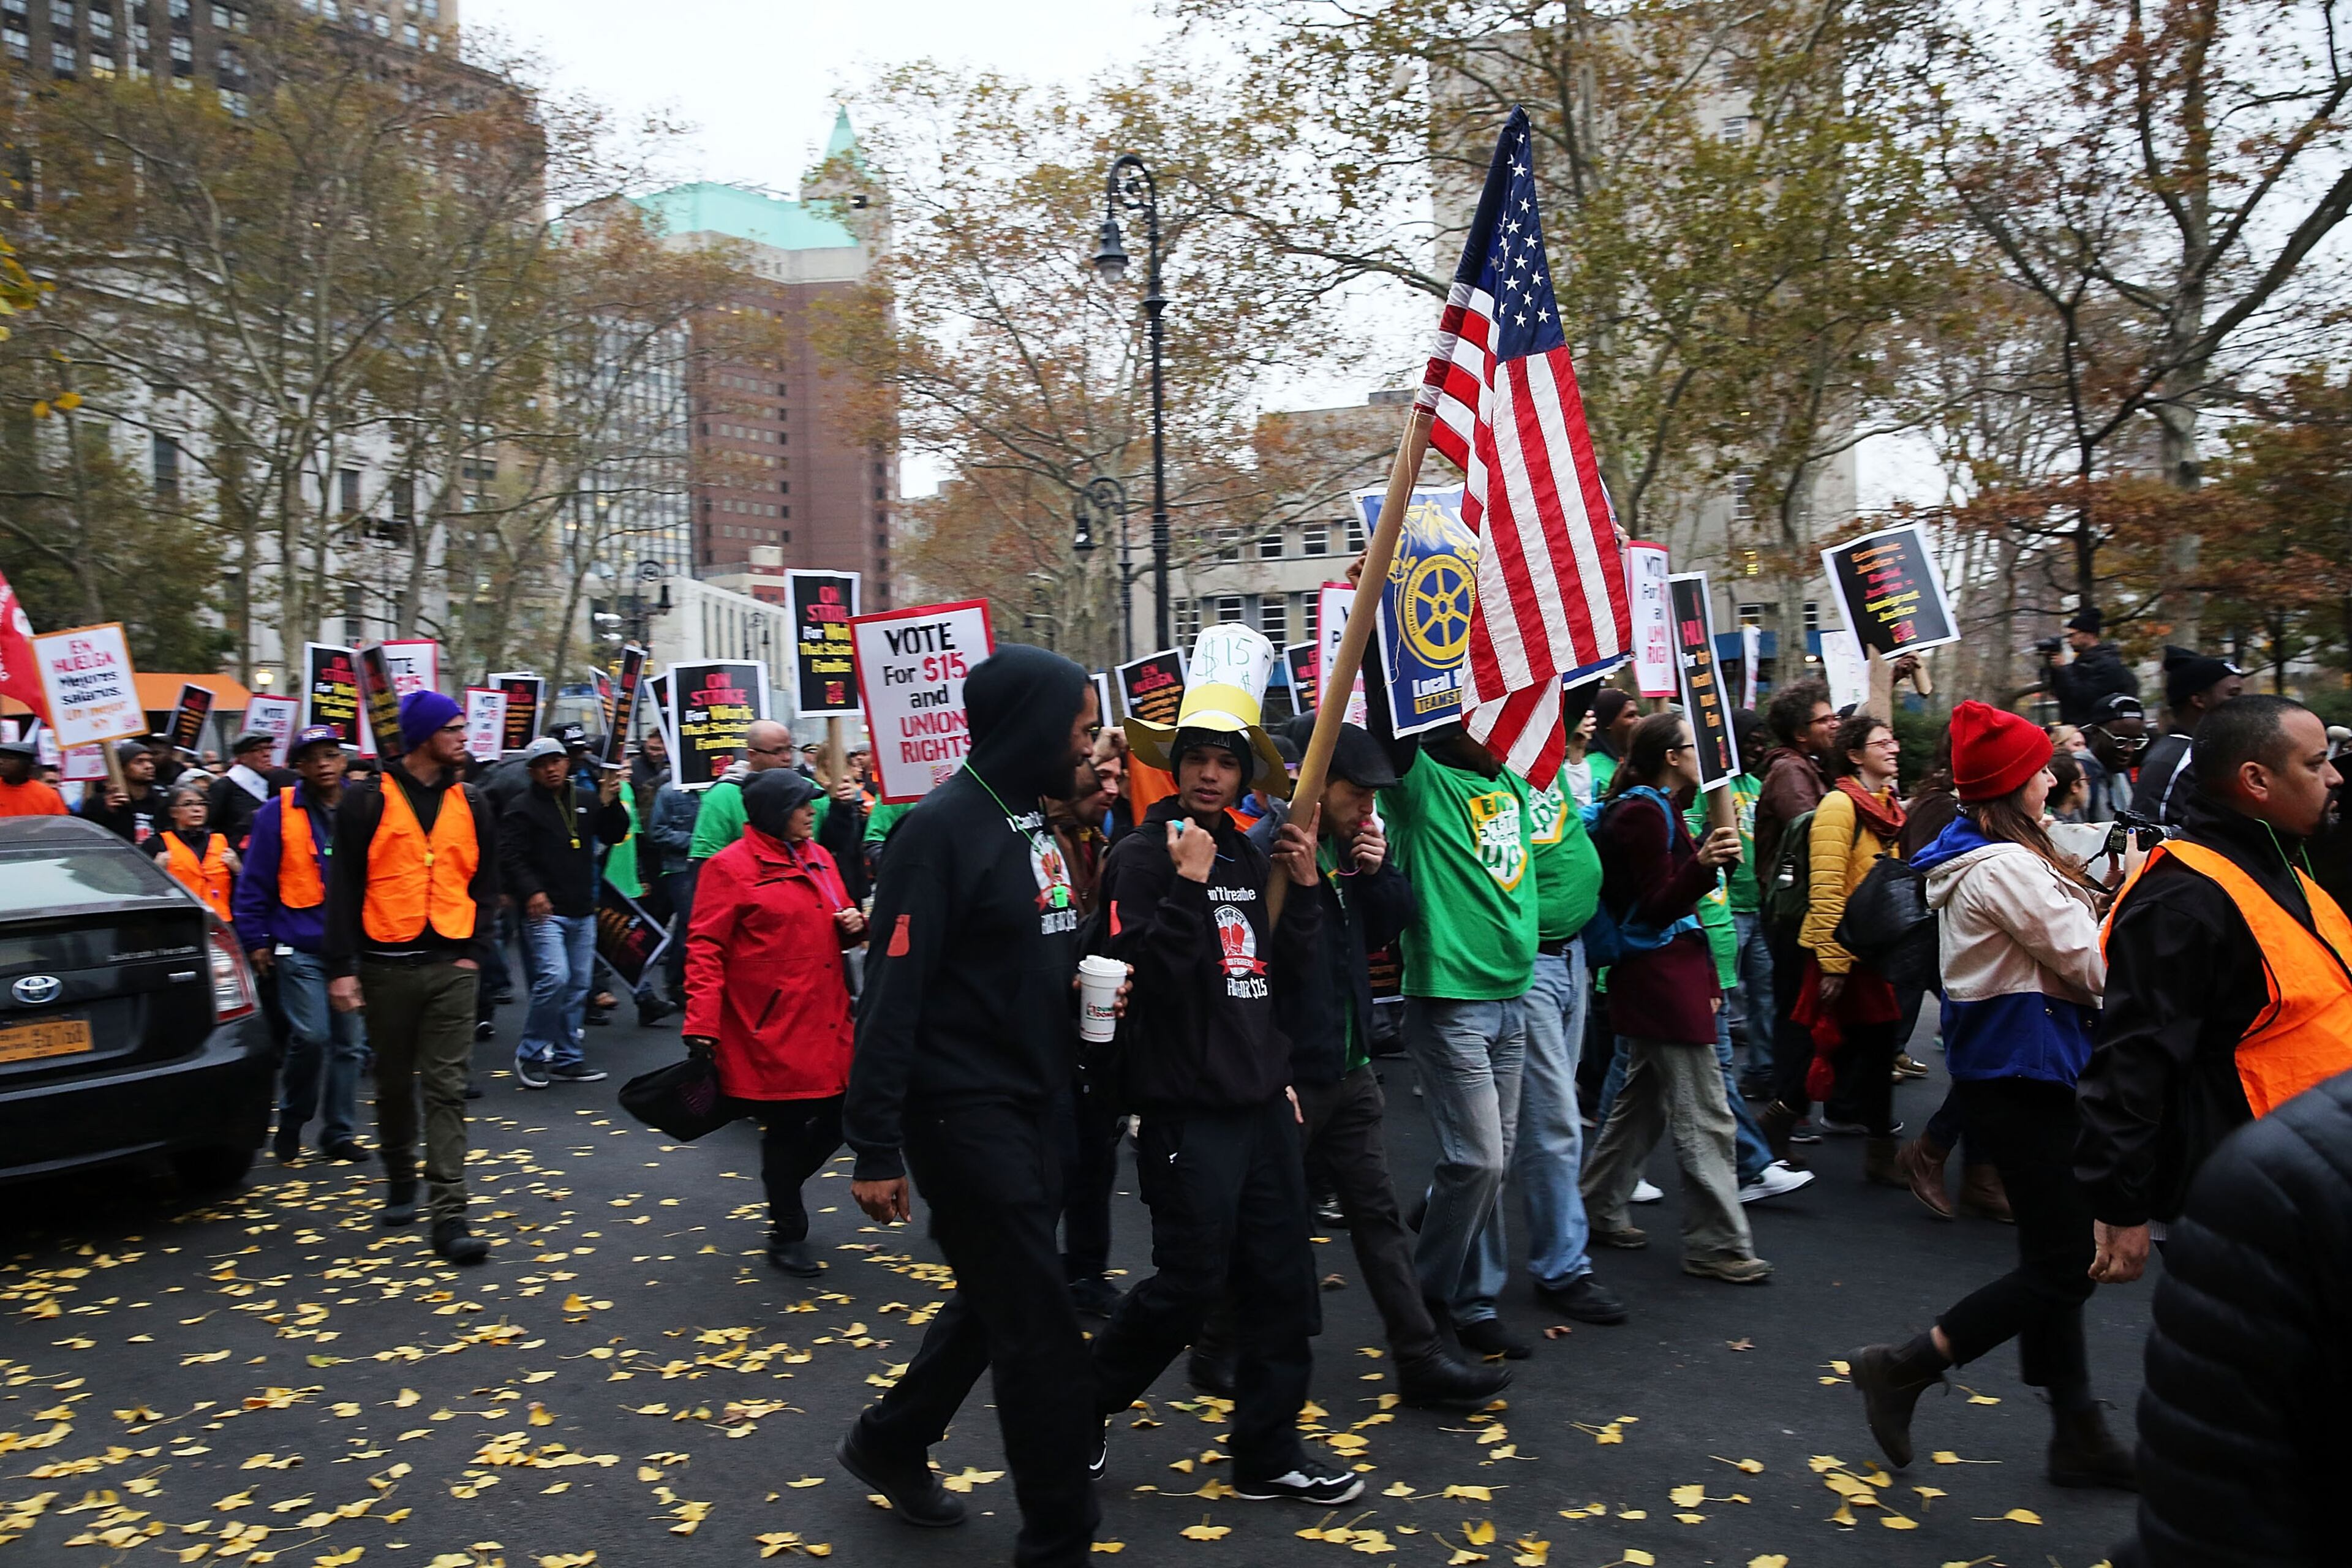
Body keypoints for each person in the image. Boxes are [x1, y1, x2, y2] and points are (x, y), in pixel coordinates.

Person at [837, 645, 1104, 1564]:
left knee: (999, 1298)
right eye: (1078, 731)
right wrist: (872, 1146)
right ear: (1032, 729)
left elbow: (1035, 953)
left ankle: (891, 1437)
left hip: (1041, 1103)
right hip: (962, 1117)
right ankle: (1059, 1540)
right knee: (1040, 1332)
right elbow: (892, 997)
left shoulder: (1036, 822)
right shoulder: (938, 830)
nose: (1090, 747)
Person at [1090, 624, 1356, 1505]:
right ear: (1176, 768)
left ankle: (1267, 1450)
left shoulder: (1251, 853)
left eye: (1227, 762)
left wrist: (1309, 890)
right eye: (1197, 758)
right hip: (1183, 1112)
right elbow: (1142, 984)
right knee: (1192, 1283)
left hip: (1259, 1108)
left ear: (1246, 775)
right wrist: (1188, 885)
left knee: (1282, 1285)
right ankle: (1082, 1402)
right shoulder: (1139, 856)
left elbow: (1286, 974)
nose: (1211, 774)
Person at [1850, 701, 2132, 1489]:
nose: (2052, 778)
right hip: (2028, 1076)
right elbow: (2094, 965)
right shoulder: (2006, 868)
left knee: (2054, 1253)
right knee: (2067, 1262)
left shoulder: (1998, 855)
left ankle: (2077, 1429)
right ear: (2013, 786)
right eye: (2040, 768)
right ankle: (1906, 1365)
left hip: (2017, 1075)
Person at [1238, 717, 1513, 1404]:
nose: (1370, 806)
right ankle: (1219, 1340)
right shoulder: (1267, 852)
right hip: (1293, 1072)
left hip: (1352, 1064)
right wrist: (1304, 889)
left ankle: (1418, 1355)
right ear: (1315, 783)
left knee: (1379, 1217)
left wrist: (1378, 868)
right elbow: (1274, 967)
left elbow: (1391, 925)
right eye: (1358, 791)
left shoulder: (1346, 846)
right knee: (1263, 1219)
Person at [2075, 693, 2351, 1290]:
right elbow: (2133, 1062)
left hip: (2314, 1180)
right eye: (2316, 762)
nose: (2335, 776)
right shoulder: (2183, 899)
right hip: (2250, 1199)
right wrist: (2122, 1206)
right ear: (2256, 779)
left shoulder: (2283, 870)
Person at [1359, 612, 1543, 1357]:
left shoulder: (1516, 782)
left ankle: (1475, 1301)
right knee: (1482, 1162)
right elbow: (1388, 713)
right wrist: (1383, 623)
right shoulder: (1420, 784)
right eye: (1477, 713)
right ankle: (1427, 1298)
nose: (1493, 727)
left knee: (1482, 1168)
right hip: (1451, 1004)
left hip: (1515, 998)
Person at [2114, 1068, 2352, 1567]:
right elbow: (2213, 1526)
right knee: (2053, 1278)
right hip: (2226, 1157)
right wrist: (2120, 1200)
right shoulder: (2284, 1189)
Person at [1579, 713, 1773, 1283]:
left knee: (1641, 1108)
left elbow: (1672, 904)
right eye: (1695, 746)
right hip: (1661, 979)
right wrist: (1703, 865)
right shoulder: (1642, 812)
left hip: (1669, 975)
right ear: (1670, 756)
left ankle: (1597, 1205)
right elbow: (1660, 903)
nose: (1705, 755)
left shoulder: (1654, 806)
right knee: (1707, 1114)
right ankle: (1715, 1243)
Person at [325, 690, 500, 1265]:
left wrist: (475, 951)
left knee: (446, 1088)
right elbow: (343, 889)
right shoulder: (365, 800)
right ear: (425, 736)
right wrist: (342, 968)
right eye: (453, 729)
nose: (463, 737)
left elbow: (486, 882)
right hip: (385, 967)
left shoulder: (472, 799)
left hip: (453, 966)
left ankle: (449, 1214)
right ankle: (401, 1174)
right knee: (396, 1084)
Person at [683, 768, 865, 1276]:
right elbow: (705, 948)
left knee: (847, 1114)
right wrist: (702, 1024)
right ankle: (787, 1231)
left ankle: (783, 1186)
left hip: (827, 1016)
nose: (812, 811)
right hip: (769, 1025)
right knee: (784, 1126)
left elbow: (838, 917)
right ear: (774, 813)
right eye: (802, 804)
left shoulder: (820, 857)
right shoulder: (728, 868)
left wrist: (855, 923)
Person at [1515, 684, 1636, 1322]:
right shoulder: (1498, 767)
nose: (1579, 718)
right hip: (1527, 965)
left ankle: (1452, 1196)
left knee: (1524, 1114)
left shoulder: (1550, 763)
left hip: (1572, 956)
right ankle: (1563, 1266)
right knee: (1556, 1119)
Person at [1784, 714, 1910, 1178]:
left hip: (1870, 954)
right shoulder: (1840, 805)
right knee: (1826, 1046)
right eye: (1882, 743)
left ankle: (1876, 1153)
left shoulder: (1886, 806)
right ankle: (1769, 1138)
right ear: (1856, 755)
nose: (1894, 748)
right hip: (1838, 953)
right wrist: (1834, 964)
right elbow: (1827, 886)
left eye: (1893, 741)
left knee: (1868, 1048)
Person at [238, 726, 369, 1165]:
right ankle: (293, 1119)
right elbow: (254, 881)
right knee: (312, 1036)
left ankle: (339, 1132)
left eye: (332, 755)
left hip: (352, 948)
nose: (324, 764)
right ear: (299, 767)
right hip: (299, 944)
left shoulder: (365, 805)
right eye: (314, 758)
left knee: (350, 1044)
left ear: (344, 760)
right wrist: (254, 938)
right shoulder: (275, 815)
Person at [499, 736, 628, 1089]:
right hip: (546, 910)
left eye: (556, 761)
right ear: (532, 771)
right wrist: (532, 892)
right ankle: (531, 1053)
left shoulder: (585, 799)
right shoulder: (521, 807)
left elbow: (615, 834)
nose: (551, 769)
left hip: (582, 908)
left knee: (577, 986)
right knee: (554, 979)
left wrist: (612, 800)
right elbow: (510, 856)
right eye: (542, 765)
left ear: (567, 764)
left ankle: (569, 1057)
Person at [2130, 647, 2245, 827]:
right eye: (2233, 695)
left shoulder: (2204, 752)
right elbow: (2147, 833)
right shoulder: (2174, 761)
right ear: (2199, 700)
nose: (2241, 704)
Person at [688, 719, 799, 862]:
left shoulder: (807, 789)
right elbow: (706, 858)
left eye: (789, 749)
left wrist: (837, 806)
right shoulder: (723, 796)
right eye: (778, 751)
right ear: (752, 755)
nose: (788, 758)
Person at [151, 783, 239, 920]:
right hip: (179, 922)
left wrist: (239, 870)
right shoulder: (158, 843)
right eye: (188, 804)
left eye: (202, 804)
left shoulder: (222, 841)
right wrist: (155, 871)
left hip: (221, 923)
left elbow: (244, 886)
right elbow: (142, 891)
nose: (197, 809)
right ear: (173, 812)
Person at [2041, 606, 2140, 728]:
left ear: (2088, 635)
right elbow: (2059, 693)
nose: (2068, 640)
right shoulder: (2079, 663)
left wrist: (2064, 669)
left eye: (2072, 635)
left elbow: (2085, 697)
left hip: (2096, 730)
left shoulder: (2108, 664)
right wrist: (2053, 669)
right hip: (2075, 730)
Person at [208, 729, 293, 850]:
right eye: (259, 750)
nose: (267, 754)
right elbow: (209, 827)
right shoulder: (225, 786)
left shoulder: (277, 781)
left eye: (269, 749)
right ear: (242, 757)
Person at [78, 740, 164, 844]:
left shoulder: (161, 802)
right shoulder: (102, 802)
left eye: (150, 761)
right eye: (139, 762)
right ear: (122, 769)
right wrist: (105, 811)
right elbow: (85, 836)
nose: (149, 766)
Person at [2084, 693, 2149, 821]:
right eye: (2120, 741)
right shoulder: (2079, 776)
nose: (2129, 750)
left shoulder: (2123, 774)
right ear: (2096, 733)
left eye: (2136, 742)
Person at [1588, 687, 1637, 796]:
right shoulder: (1590, 769)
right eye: (1630, 716)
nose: (1639, 720)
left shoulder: (1631, 761)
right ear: (1608, 722)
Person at [0, 737, 66, 816]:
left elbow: (59, 825)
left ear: (28, 764)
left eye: (9, 758)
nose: (1, 762)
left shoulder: (48, 796)